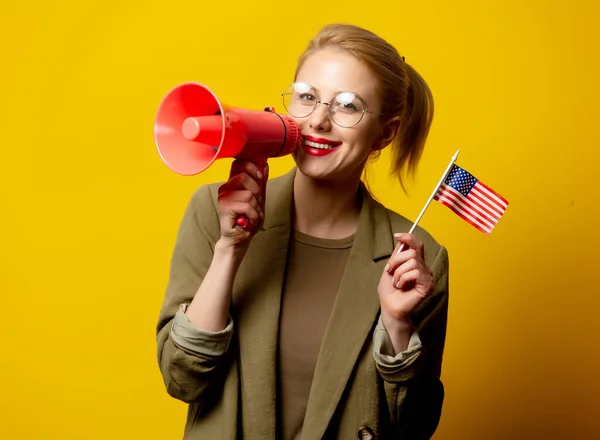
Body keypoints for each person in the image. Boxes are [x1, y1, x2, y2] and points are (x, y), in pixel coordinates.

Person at [156, 23, 449, 440]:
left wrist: (398, 326)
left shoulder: (415, 258)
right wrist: (229, 251)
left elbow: (415, 427)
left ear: (385, 132)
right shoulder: (213, 211)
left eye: (348, 106)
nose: (319, 121)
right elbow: (181, 379)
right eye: (307, 96)